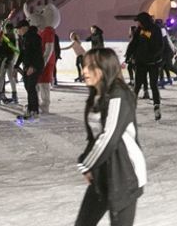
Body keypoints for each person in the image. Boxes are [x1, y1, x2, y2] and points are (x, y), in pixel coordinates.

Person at [74, 48, 146, 226]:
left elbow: (109, 137)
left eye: (91, 66)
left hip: (124, 174)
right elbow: (94, 138)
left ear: (105, 68)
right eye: (84, 66)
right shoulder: (96, 96)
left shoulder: (119, 95)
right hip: (102, 172)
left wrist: (85, 163)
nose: (84, 71)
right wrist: (91, 166)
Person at [131, 13, 164, 121]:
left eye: (139, 21)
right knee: (137, 85)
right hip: (141, 62)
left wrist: (153, 56)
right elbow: (134, 44)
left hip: (153, 63)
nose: (138, 23)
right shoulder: (138, 30)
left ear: (144, 21)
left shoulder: (156, 29)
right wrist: (131, 55)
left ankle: (157, 107)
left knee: (153, 85)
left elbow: (160, 45)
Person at [16, 19, 44, 121]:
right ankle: (31, 109)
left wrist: (33, 67)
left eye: (19, 29)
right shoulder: (23, 38)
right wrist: (16, 65)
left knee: (31, 87)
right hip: (27, 66)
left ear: (24, 28)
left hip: (34, 67)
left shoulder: (34, 37)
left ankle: (34, 111)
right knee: (28, 87)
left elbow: (37, 53)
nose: (18, 31)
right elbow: (22, 53)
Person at [0, 21, 19, 103]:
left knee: (9, 77)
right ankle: (0, 95)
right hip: (5, 58)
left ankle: (14, 95)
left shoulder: (12, 38)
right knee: (2, 77)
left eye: (9, 29)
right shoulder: (7, 37)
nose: (8, 30)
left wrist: (8, 60)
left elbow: (12, 50)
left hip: (8, 59)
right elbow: (3, 48)